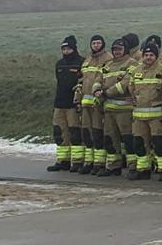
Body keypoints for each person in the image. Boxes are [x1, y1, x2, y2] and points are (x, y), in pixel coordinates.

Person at [124, 41, 162, 181]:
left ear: (156, 56)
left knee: (159, 143)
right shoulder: (136, 71)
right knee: (139, 143)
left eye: (151, 55)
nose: (148, 57)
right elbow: (131, 88)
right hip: (139, 116)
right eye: (146, 55)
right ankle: (143, 169)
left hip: (157, 115)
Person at [99, 34, 139, 177]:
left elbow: (125, 84)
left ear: (126, 50)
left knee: (128, 140)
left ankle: (133, 166)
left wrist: (106, 93)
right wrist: (96, 90)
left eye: (119, 49)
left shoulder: (132, 63)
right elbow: (99, 80)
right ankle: (113, 166)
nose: (116, 52)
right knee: (110, 139)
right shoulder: (108, 65)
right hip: (109, 110)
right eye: (115, 49)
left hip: (125, 110)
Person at [49, 37, 85, 173]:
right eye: (63, 49)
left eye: (68, 48)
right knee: (59, 132)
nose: (66, 51)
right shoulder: (59, 64)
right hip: (60, 103)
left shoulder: (81, 62)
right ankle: (63, 161)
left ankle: (77, 161)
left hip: (73, 104)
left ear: (74, 48)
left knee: (75, 133)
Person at [78, 35, 111, 175]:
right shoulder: (87, 60)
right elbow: (81, 80)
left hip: (98, 104)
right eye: (94, 43)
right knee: (87, 133)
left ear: (103, 44)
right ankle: (89, 162)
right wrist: (77, 98)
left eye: (98, 43)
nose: (96, 45)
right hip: (85, 103)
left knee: (98, 133)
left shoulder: (108, 59)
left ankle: (99, 163)